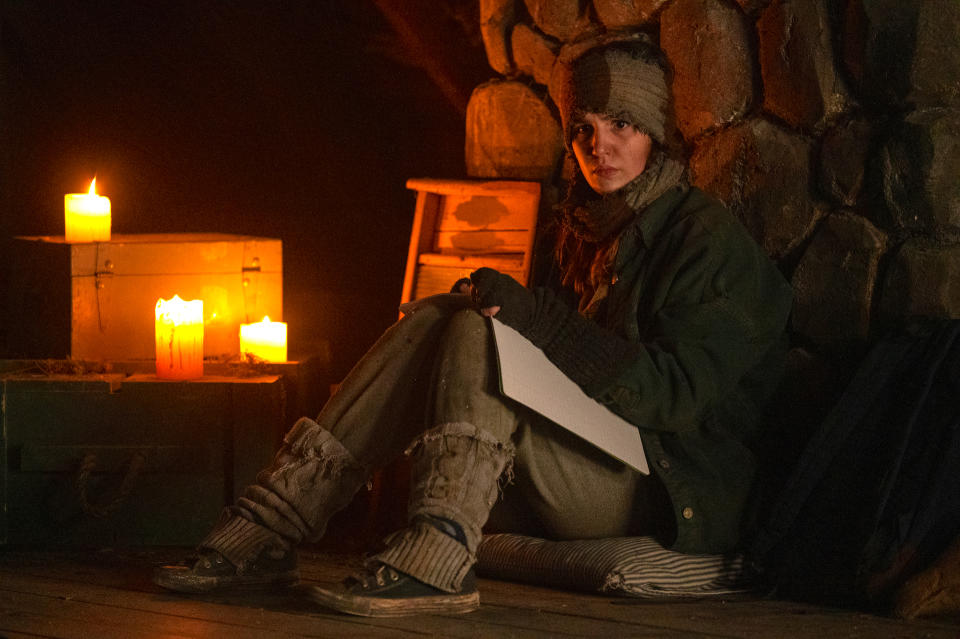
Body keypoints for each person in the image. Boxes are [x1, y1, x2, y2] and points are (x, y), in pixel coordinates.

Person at [153, 34, 793, 618]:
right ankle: (271, 523)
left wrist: (536, 320)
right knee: (447, 314)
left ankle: (440, 551)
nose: (600, 146)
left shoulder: (705, 242)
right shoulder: (588, 228)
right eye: (584, 128)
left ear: (656, 133)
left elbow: (673, 396)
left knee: (476, 330)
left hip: (659, 493)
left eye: (622, 124)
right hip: (584, 467)